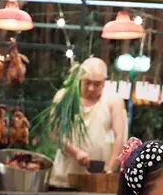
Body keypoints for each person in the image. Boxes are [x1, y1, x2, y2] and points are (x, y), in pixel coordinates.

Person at [50, 57, 127, 187]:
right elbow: (54, 132)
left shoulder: (113, 101)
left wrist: (110, 168)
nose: (91, 88)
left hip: (96, 175)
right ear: (80, 79)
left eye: (97, 84)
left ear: (104, 83)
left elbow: (120, 136)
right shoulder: (63, 96)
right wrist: (75, 152)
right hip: (64, 173)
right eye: (87, 82)